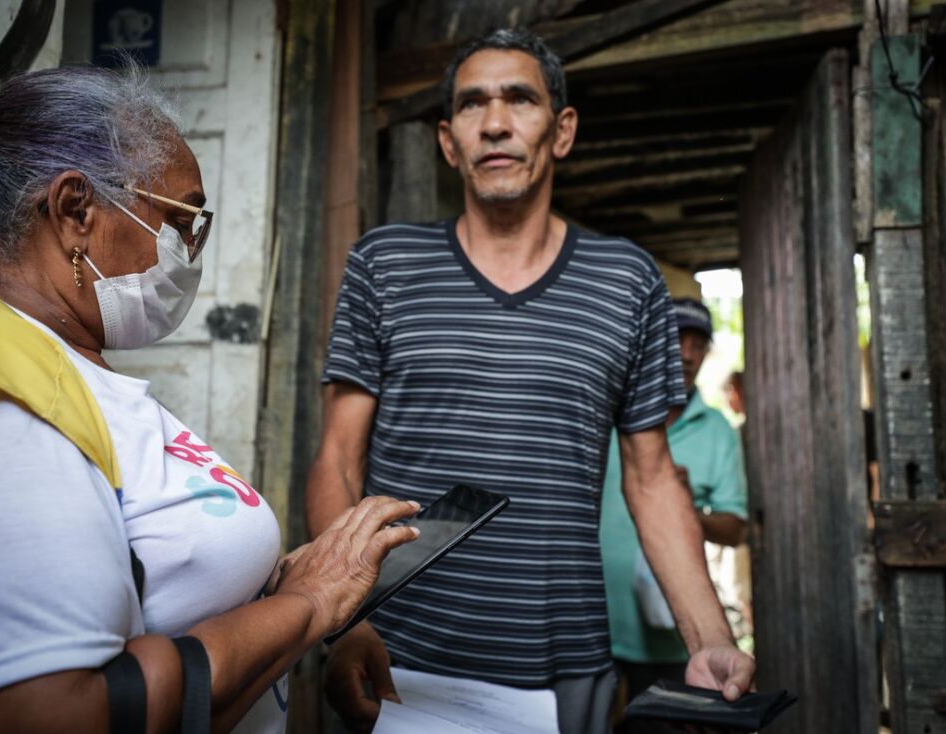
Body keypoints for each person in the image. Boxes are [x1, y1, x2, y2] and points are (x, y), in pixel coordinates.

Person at [0, 65, 421, 733]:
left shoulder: (58, 360)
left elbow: (157, 577)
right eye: (182, 220)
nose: (190, 252)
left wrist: (282, 587)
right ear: (77, 212)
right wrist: (308, 605)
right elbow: (51, 716)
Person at [307, 29, 755, 734]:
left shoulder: (627, 281)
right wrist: (343, 624)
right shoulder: (384, 264)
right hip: (393, 656)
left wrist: (710, 641)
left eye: (520, 99)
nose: (495, 122)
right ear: (448, 140)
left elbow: (651, 477)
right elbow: (337, 458)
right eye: (472, 105)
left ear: (562, 129)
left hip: (563, 668)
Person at [600, 298, 749, 701]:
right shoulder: (607, 415)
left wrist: (680, 509)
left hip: (667, 635)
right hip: (591, 625)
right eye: (676, 339)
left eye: (698, 344)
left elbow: (736, 528)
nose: (686, 354)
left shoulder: (716, 429)